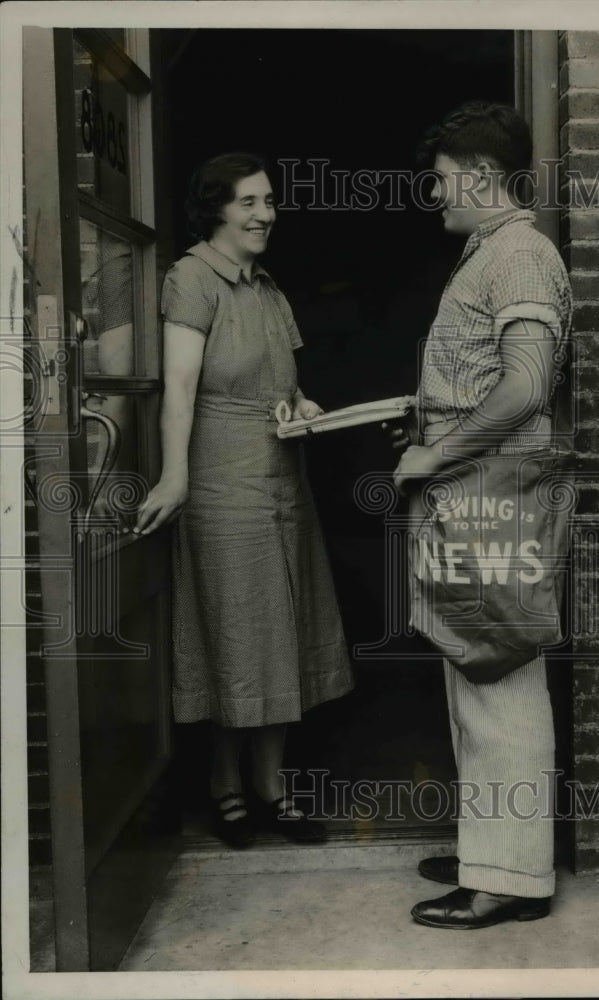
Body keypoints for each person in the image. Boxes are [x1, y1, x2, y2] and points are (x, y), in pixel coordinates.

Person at [134, 152, 354, 847]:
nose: (266, 214)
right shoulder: (192, 279)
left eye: (268, 201)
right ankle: (225, 784)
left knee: (280, 633)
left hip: (281, 481)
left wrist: (303, 406)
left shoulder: (267, 288)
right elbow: (180, 391)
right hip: (222, 484)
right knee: (235, 636)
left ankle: (274, 785)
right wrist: (175, 477)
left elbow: (281, 388)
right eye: (249, 202)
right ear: (216, 210)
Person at [390, 102, 572, 928]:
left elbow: (527, 386)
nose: (437, 196)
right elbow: (484, 380)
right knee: (475, 667)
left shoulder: (521, 255)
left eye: (441, 181)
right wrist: (427, 419)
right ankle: (488, 852)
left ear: (476, 176)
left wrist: (435, 451)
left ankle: (510, 878)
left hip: (489, 486)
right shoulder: (493, 253)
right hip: (475, 483)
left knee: (498, 671)